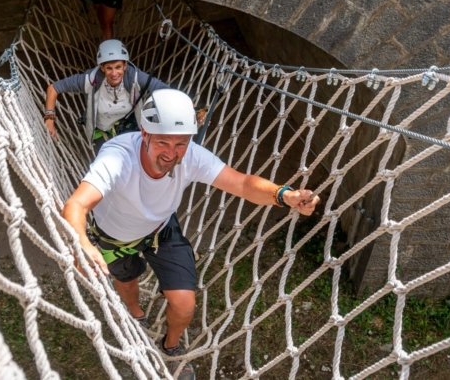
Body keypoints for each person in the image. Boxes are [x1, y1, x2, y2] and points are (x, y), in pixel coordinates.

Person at [61, 89, 320, 379]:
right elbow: (77, 204)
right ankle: (136, 315)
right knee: (128, 283)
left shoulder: (191, 156)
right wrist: (81, 242)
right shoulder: (119, 156)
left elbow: (243, 184)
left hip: (162, 229)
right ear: (144, 134)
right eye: (162, 142)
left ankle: (171, 349)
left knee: (185, 304)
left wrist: (284, 195)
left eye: (180, 143)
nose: (171, 153)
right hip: (116, 237)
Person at [45, 39, 170, 154]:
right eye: (109, 68)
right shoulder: (90, 80)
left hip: (128, 125)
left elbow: (162, 89)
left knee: (136, 159)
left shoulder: (134, 76)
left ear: (125, 65)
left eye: (118, 67)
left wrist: (185, 105)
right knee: (109, 163)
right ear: (102, 68)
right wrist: (49, 119)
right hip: (102, 130)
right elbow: (54, 88)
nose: (114, 73)